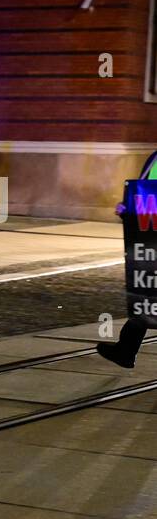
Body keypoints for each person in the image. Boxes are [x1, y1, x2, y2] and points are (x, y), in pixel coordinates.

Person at [95, 148, 157, 369]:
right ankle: (126, 349)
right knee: (147, 295)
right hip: (151, 241)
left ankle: (126, 349)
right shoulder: (154, 157)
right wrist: (128, 209)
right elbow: (146, 197)